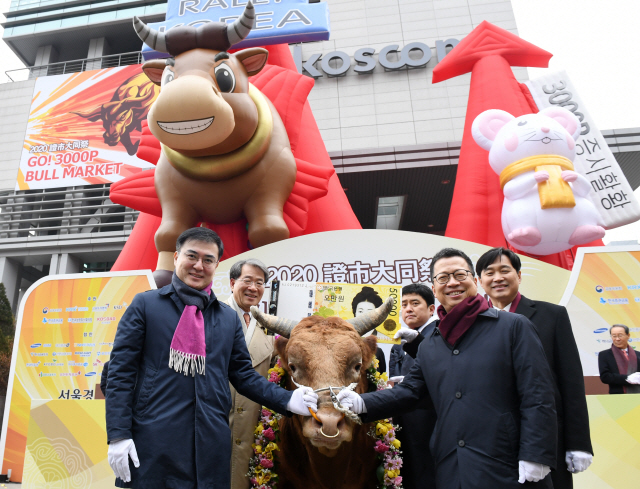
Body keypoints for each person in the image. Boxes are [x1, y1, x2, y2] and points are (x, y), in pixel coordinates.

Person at [105, 227, 317, 488]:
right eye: (191, 256)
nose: (198, 265)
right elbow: (120, 373)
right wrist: (118, 435)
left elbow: (244, 375)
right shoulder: (147, 306)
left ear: (216, 265)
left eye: (208, 260)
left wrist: (289, 399)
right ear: (176, 257)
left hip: (210, 445)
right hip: (154, 440)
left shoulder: (226, 317)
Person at [338, 247, 557, 488]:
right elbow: (411, 392)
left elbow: (538, 394)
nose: (452, 283)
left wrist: (536, 453)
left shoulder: (513, 327)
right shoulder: (431, 343)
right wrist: (362, 403)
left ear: (475, 281)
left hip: (508, 465)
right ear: (434, 289)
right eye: (443, 278)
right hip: (451, 466)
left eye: (460, 275)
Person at [476, 247, 593, 488]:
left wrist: (579, 443)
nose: (497, 278)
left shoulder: (552, 315)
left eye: (505, 270)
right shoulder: (473, 323)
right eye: (489, 272)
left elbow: (571, 381)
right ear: (479, 281)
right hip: (492, 440)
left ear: (518, 276)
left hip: (547, 437)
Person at [225, 258, 275, 489]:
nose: (254, 288)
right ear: (233, 283)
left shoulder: (268, 327)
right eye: (247, 280)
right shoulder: (210, 316)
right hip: (215, 421)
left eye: (260, 282)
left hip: (250, 428)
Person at [388, 283, 437, 489]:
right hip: (404, 425)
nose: (408, 309)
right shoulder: (398, 345)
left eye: (415, 303)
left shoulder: (439, 336)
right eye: (404, 304)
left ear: (432, 309)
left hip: (429, 424)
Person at [351, 286, 387, 373]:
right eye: (360, 311)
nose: (364, 315)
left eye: (369, 311)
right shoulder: (345, 341)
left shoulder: (383, 341)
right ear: (354, 312)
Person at [598, 324, 640, 394]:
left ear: (628, 336)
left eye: (620, 335)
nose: (617, 339)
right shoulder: (604, 355)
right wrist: (627, 378)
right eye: (614, 336)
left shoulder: (638, 355)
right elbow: (605, 377)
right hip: (617, 395)